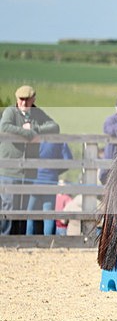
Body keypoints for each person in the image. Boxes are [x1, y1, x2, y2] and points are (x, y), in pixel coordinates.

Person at [0, 85, 60, 235]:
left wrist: (35, 129)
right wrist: (26, 132)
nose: (24, 103)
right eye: (21, 100)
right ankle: (5, 240)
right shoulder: (10, 112)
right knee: (8, 207)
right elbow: (4, 127)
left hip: (28, 172)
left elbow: (54, 126)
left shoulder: (37, 113)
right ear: (16, 99)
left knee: (23, 208)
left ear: (33, 99)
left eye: (27, 100)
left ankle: (19, 239)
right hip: (10, 170)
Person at [26, 141, 72, 235]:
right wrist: (55, 171)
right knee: (48, 215)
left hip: (35, 181)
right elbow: (68, 159)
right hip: (50, 180)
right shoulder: (58, 140)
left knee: (30, 214)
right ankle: (48, 243)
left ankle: (27, 241)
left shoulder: (35, 136)